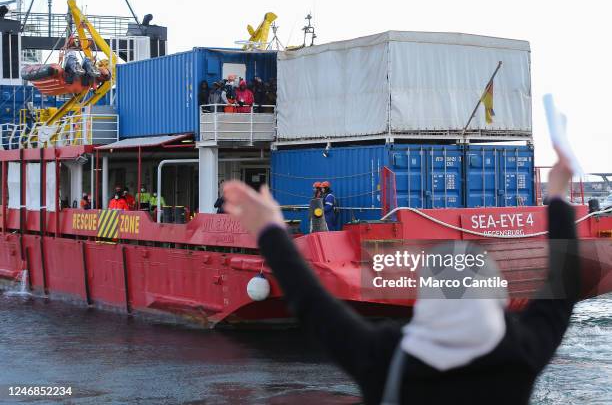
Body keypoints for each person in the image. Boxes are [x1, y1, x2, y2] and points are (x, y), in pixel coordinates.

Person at [222, 146, 579, 405]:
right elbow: (561, 290)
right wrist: (558, 196)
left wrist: (269, 229)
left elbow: (312, 305)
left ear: (424, 301)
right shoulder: (521, 354)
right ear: (496, 299)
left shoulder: (383, 359)